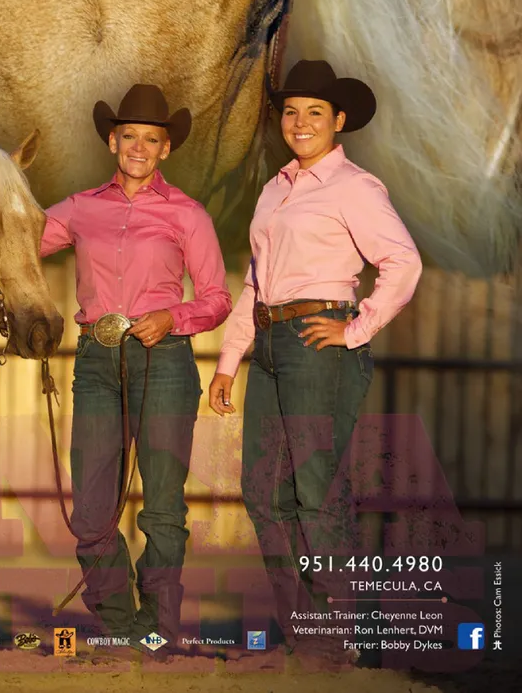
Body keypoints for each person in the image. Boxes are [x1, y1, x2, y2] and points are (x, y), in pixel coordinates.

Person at [208, 59, 422, 664]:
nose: (300, 122)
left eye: (315, 112)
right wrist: (228, 359)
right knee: (261, 492)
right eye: (291, 111)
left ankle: (343, 633)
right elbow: (256, 281)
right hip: (269, 340)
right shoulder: (274, 189)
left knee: (315, 488)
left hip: (316, 342)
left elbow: (403, 263)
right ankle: (305, 630)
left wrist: (357, 329)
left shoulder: (354, 186)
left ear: (339, 120)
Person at [42, 83, 232, 648]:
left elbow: (217, 298)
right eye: (130, 137)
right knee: (91, 509)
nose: (140, 148)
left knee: (163, 506)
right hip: (96, 360)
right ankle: (120, 623)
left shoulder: (187, 214)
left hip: (164, 361)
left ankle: (159, 626)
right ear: (112, 141)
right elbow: (15, 241)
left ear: (166, 149)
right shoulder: (79, 208)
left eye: (152, 139)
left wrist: (173, 317)